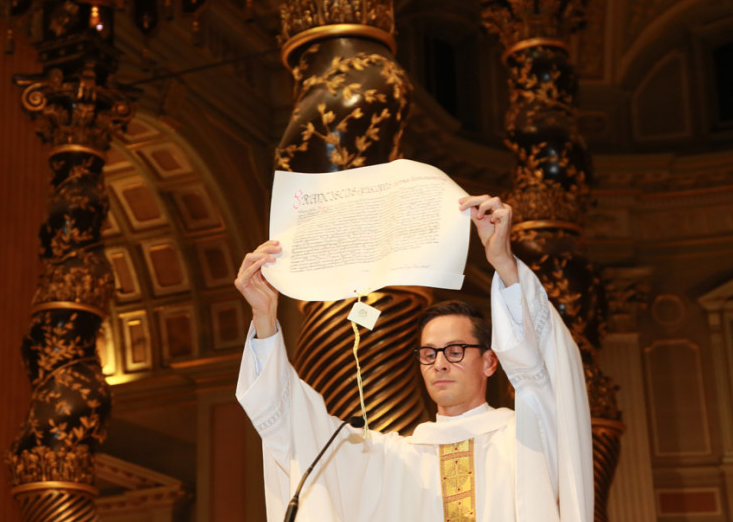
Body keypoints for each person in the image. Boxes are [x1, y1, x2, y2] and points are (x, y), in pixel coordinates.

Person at [234, 195, 592, 521]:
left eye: (455, 351)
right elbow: (298, 432)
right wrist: (264, 317)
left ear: (489, 361)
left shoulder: (526, 437)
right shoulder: (393, 460)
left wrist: (503, 261)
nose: (439, 364)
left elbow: (543, 370)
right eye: (428, 354)